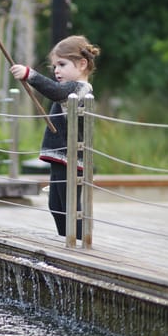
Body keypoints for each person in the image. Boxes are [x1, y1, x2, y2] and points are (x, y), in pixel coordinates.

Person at [10, 35, 100, 240]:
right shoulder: (69, 89)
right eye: (54, 66)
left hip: (71, 159)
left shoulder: (79, 89)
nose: (56, 70)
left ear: (82, 64)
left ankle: (76, 240)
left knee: (69, 204)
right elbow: (55, 91)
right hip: (60, 156)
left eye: (62, 64)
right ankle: (65, 239)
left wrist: (29, 75)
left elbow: (54, 91)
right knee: (55, 204)